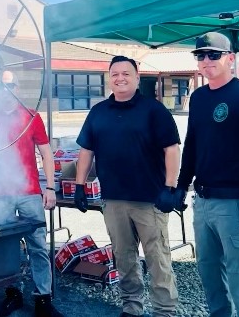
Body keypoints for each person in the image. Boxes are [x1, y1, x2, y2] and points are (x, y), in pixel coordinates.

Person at [73, 55, 181, 317]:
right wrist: (79, 186)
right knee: (124, 257)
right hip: (114, 200)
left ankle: (164, 311)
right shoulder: (98, 112)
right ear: (109, 78)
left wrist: (169, 187)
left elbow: (172, 149)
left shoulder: (154, 110)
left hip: (150, 200)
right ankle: (131, 307)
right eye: (115, 74)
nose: (120, 78)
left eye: (126, 73)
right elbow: (86, 151)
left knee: (158, 259)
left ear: (136, 75)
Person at [176, 32, 239, 317]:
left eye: (213, 55)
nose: (206, 61)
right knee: (211, 281)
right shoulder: (199, 98)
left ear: (230, 58)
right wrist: (180, 187)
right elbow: (192, 144)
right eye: (200, 55)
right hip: (204, 204)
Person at [0, 70, 63, 317]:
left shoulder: (31, 116)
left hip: (28, 193)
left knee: (37, 245)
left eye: (10, 86)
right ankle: (11, 293)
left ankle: (42, 299)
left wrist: (50, 188)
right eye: (1, 87)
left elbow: (46, 153)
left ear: (17, 87)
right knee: (6, 247)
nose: (6, 92)